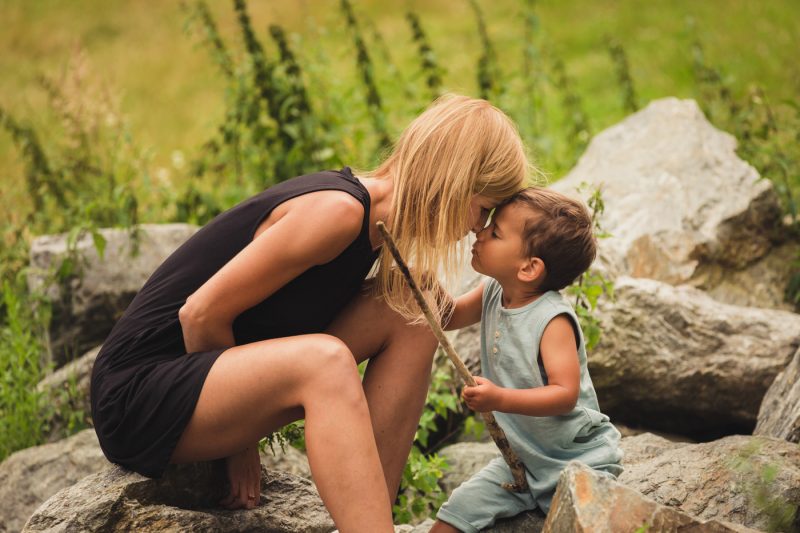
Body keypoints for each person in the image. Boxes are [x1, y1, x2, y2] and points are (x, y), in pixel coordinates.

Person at [89, 94, 531, 532]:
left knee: (414, 309)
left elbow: (445, 313)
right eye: (483, 207)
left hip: (204, 377)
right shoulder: (337, 212)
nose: (478, 225)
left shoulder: (376, 225)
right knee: (325, 361)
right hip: (139, 393)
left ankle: (367, 518)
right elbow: (200, 315)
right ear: (453, 183)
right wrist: (240, 445)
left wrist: (529, 281)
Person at [432, 188, 623, 533]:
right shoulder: (494, 290)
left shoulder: (552, 320)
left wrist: (499, 399)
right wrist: (425, 285)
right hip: (519, 462)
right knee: (455, 514)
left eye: (495, 232)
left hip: (577, 460)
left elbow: (564, 395)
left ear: (529, 268)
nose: (480, 232)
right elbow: (448, 316)